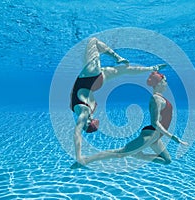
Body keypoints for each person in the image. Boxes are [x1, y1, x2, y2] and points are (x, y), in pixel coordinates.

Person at [70, 37, 166, 168]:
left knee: (94, 41)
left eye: (87, 123)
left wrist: (79, 156)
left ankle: (118, 57)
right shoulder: (88, 111)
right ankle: (151, 67)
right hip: (95, 81)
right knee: (125, 70)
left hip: (88, 77)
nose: (89, 121)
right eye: (90, 122)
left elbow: (77, 132)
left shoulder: (84, 111)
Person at [71, 71, 188, 168]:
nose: (166, 84)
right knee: (120, 153)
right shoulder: (156, 99)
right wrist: (172, 137)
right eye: (164, 81)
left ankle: (138, 155)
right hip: (151, 135)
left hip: (157, 137)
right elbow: (155, 122)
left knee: (167, 160)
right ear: (158, 83)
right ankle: (86, 161)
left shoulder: (161, 98)